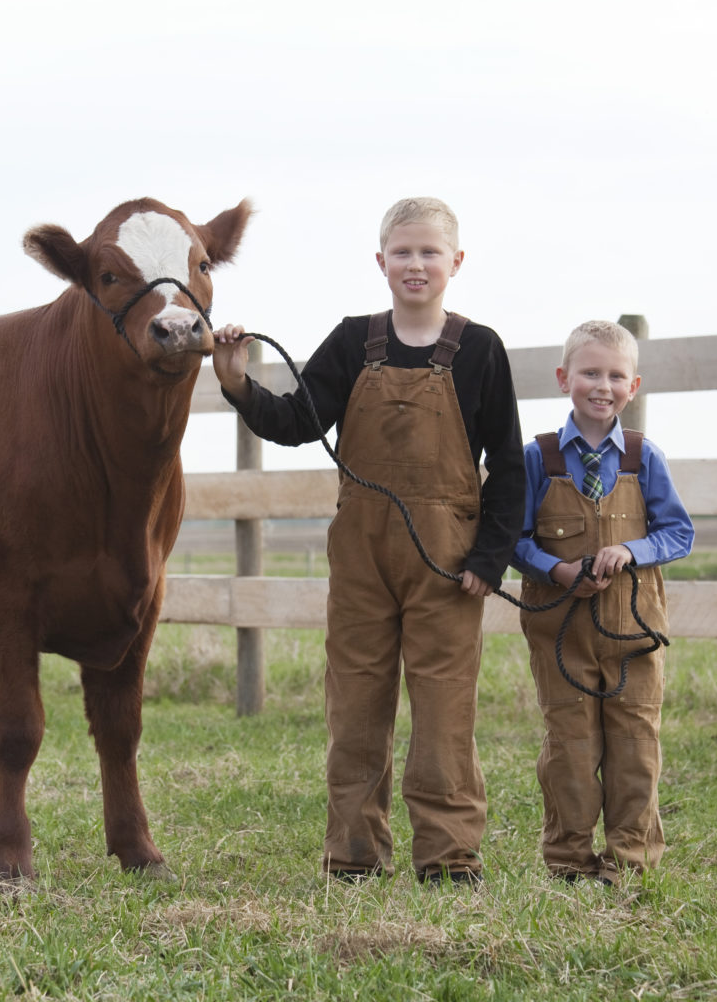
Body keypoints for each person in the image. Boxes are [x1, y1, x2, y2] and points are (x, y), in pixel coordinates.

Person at [212, 197, 525, 884]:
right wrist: (238, 381)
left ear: (456, 262)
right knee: (355, 704)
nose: (416, 265)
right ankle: (353, 854)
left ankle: (449, 856)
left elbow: (508, 465)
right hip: (360, 557)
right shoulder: (354, 342)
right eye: (403, 252)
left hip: (448, 563)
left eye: (429, 252)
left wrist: (489, 559)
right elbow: (297, 420)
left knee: (444, 712)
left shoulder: (481, 350)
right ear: (380, 261)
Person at [511, 320, 694, 885]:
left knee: (635, 744)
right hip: (560, 632)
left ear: (632, 387)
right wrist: (558, 568)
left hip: (633, 633)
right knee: (570, 746)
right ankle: (568, 860)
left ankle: (629, 862)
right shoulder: (538, 458)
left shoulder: (644, 458)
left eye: (616, 376)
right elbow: (513, 541)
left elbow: (679, 533)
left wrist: (631, 551)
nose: (602, 385)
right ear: (565, 378)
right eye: (590, 372)